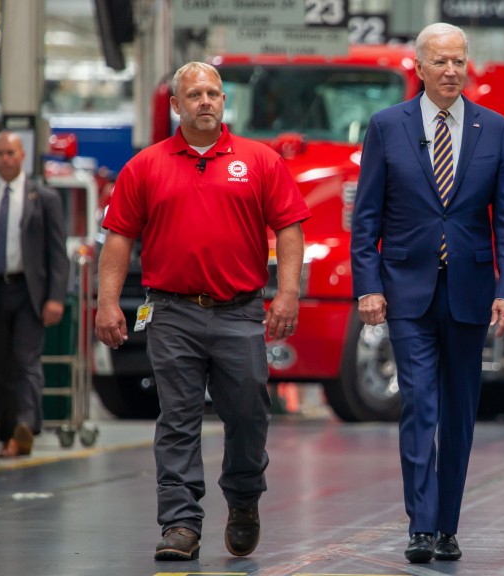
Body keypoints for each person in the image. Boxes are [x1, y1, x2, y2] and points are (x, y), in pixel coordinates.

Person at [94, 62, 311, 561]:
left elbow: (290, 229)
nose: (206, 101)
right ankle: (180, 523)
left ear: (223, 101)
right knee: (177, 419)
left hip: (239, 313)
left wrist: (288, 292)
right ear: (176, 105)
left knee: (249, 414)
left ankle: (243, 500)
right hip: (172, 313)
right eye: (195, 94)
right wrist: (108, 303)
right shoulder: (144, 166)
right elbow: (119, 238)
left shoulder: (259, 161)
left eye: (214, 93)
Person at [350, 22, 504, 564]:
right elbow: (366, 219)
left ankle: (448, 524)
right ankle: (422, 525)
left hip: (471, 291)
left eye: (459, 61)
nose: (451, 71)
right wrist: (368, 287)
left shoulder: (494, 129)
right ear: (421, 68)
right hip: (407, 291)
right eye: (441, 62)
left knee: (459, 413)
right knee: (420, 404)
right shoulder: (387, 127)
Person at [0, 131, 69, 459]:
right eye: (0, 153)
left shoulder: (44, 198)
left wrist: (55, 298)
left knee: (25, 360)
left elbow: (57, 253)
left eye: (11, 152)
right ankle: (10, 435)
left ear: (23, 156)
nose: (5, 158)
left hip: (29, 292)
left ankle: (25, 424)